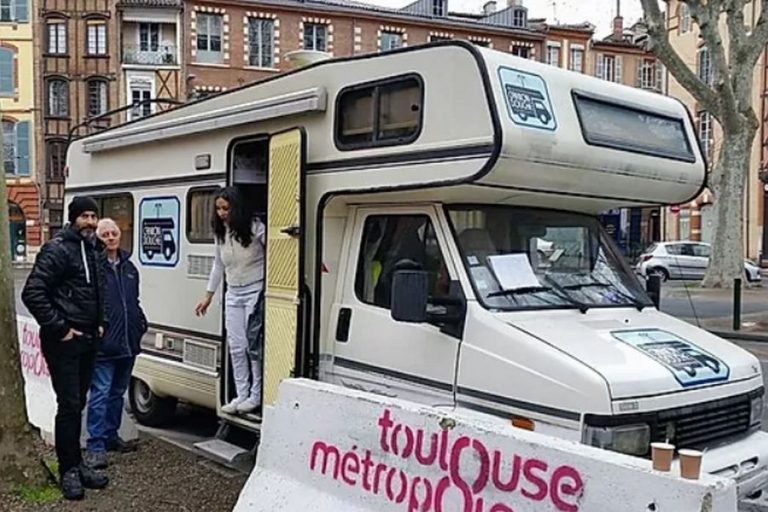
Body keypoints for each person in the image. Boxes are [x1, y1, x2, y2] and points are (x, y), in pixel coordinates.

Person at [21, 196, 109, 501]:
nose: (91, 222)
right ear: (73, 219)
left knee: (78, 403)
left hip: (88, 338)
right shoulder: (57, 249)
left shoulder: (94, 249)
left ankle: (78, 462)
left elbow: (99, 290)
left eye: (94, 216)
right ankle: (68, 469)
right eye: (85, 216)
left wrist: (101, 321)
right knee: (69, 406)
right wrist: (60, 327)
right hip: (64, 341)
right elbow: (33, 292)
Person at [195, 187, 265, 414]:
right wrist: (208, 295)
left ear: (237, 207)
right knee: (236, 346)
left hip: (255, 288)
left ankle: (256, 395)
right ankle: (241, 394)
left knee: (253, 346)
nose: (222, 213)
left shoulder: (255, 227)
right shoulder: (221, 232)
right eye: (218, 209)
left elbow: (275, 249)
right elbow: (218, 265)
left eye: (226, 208)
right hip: (233, 292)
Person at [84, 218, 147, 470]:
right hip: (104, 343)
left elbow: (134, 300)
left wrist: (141, 323)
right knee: (99, 394)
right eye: (105, 234)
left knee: (117, 393)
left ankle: (111, 436)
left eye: (114, 233)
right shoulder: (94, 267)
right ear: (99, 238)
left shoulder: (130, 268)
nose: (111, 237)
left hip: (128, 342)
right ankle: (95, 445)